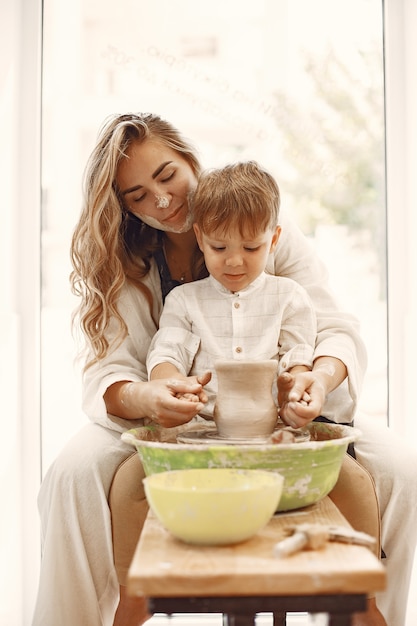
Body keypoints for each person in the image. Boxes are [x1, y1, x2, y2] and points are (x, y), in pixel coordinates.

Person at [32, 112, 417, 626]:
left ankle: (363, 607)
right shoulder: (129, 260)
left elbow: (332, 328)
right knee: (70, 475)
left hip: (289, 409)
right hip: (171, 414)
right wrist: (151, 396)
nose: (161, 201)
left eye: (166, 176)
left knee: (403, 471)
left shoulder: (263, 226)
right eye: (138, 196)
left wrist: (316, 380)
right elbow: (111, 371)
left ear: (189, 158)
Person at [147, 160, 317, 420]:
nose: (235, 261)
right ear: (201, 239)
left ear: (273, 240)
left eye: (250, 248)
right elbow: (167, 354)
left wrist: (294, 394)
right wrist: (175, 386)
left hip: (271, 428)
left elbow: (297, 360)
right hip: (200, 429)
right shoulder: (183, 301)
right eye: (219, 248)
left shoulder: (290, 297)